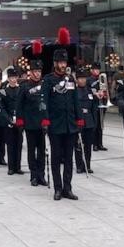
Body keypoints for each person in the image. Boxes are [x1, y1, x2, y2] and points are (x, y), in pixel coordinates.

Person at [41, 49, 84, 201]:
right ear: (54, 63)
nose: (62, 65)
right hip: (55, 125)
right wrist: (45, 120)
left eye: (64, 62)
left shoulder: (71, 80)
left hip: (70, 125)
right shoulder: (48, 80)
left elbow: (75, 101)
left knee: (68, 158)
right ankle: (58, 188)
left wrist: (79, 119)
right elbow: (43, 102)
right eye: (60, 62)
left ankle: (68, 188)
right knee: (56, 157)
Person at [16, 61, 48, 186]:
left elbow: (47, 104)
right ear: (30, 72)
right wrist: (20, 121)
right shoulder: (25, 86)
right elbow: (19, 105)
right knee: (31, 150)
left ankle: (41, 175)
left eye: (39, 71)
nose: (37, 74)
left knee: (41, 151)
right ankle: (33, 176)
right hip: (30, 123)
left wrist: (47, 119)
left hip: (42, 123)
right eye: (35, 71)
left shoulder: (45, 85)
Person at [74, 67, 98, 173]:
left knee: (88, 146)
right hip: (78, 121)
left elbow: (93, 107)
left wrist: (94, 121)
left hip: (89, 121)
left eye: (84, 78)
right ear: (77, 80)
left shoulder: (89, 91)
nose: (82, 80)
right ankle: (79, 165)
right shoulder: (74, 92)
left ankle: (87, 165)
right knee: (79, 145)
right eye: (80, 78)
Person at [2, 68, 24, 175]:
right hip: (9, 120)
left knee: (19, 144)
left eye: (15, 77)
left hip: (19, 120)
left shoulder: (21, 90)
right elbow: (3, 108)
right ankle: (11, 167)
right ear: (8, 78)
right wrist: (9, 119)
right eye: (11, 78)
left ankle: (18, 167)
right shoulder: (5, 91)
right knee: (10, 144)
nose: (13, 80)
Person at [88, 62, 108, 151]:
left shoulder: (102, 79)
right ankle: (94, 144)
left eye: (98, 69)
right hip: (93, 104)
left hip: (101, 104)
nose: (97, 71)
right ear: (91, 70)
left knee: (101, 125)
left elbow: (105, 90)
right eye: (95, 69)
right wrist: (95, 93)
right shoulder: (89, 80)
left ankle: (100, 143)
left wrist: (105, 95)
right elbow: (88, 91)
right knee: (95, 125)